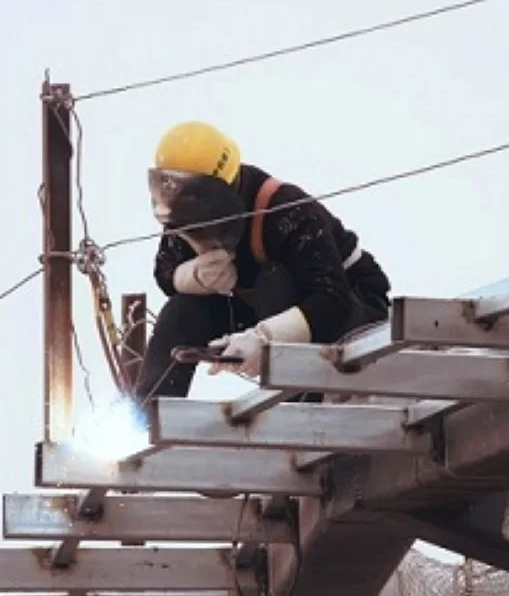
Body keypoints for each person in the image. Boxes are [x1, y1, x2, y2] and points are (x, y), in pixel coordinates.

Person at [127, 120, 393, 412]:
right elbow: (164, 273)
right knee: (182, 311)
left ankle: (297, 412)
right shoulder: (184, 217)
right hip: (268, 314)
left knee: (273, 281)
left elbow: (332, 301)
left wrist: (264, 337)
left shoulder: (285, 211)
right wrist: (193, 277)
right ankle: (146, 420)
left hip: (352, 311)